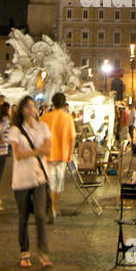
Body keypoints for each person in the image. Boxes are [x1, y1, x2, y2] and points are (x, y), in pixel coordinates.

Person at [8, 96, 52, 267]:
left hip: (39, 177)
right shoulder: (15, 130)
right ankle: (24, 253)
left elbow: (48, 149)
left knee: (41, 216)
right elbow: (17, 155)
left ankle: (43, 253)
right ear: (21, 110)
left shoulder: (43, 127)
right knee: (23, 216)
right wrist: (37, 151)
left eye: (32, 106)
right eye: (26, 107)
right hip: (22, 179)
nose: (30, 109)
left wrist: (32, 151)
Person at [41, 93, 75, 223]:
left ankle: (50, 207)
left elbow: (39, 136)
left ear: (53, 103)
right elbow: (72, 138)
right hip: (62, 155)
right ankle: (54, 207)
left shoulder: (45, 117)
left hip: (47, 155)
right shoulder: (68, 118)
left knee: (49, 183)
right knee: (58, 184)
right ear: (64, 103)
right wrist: (70, 154)